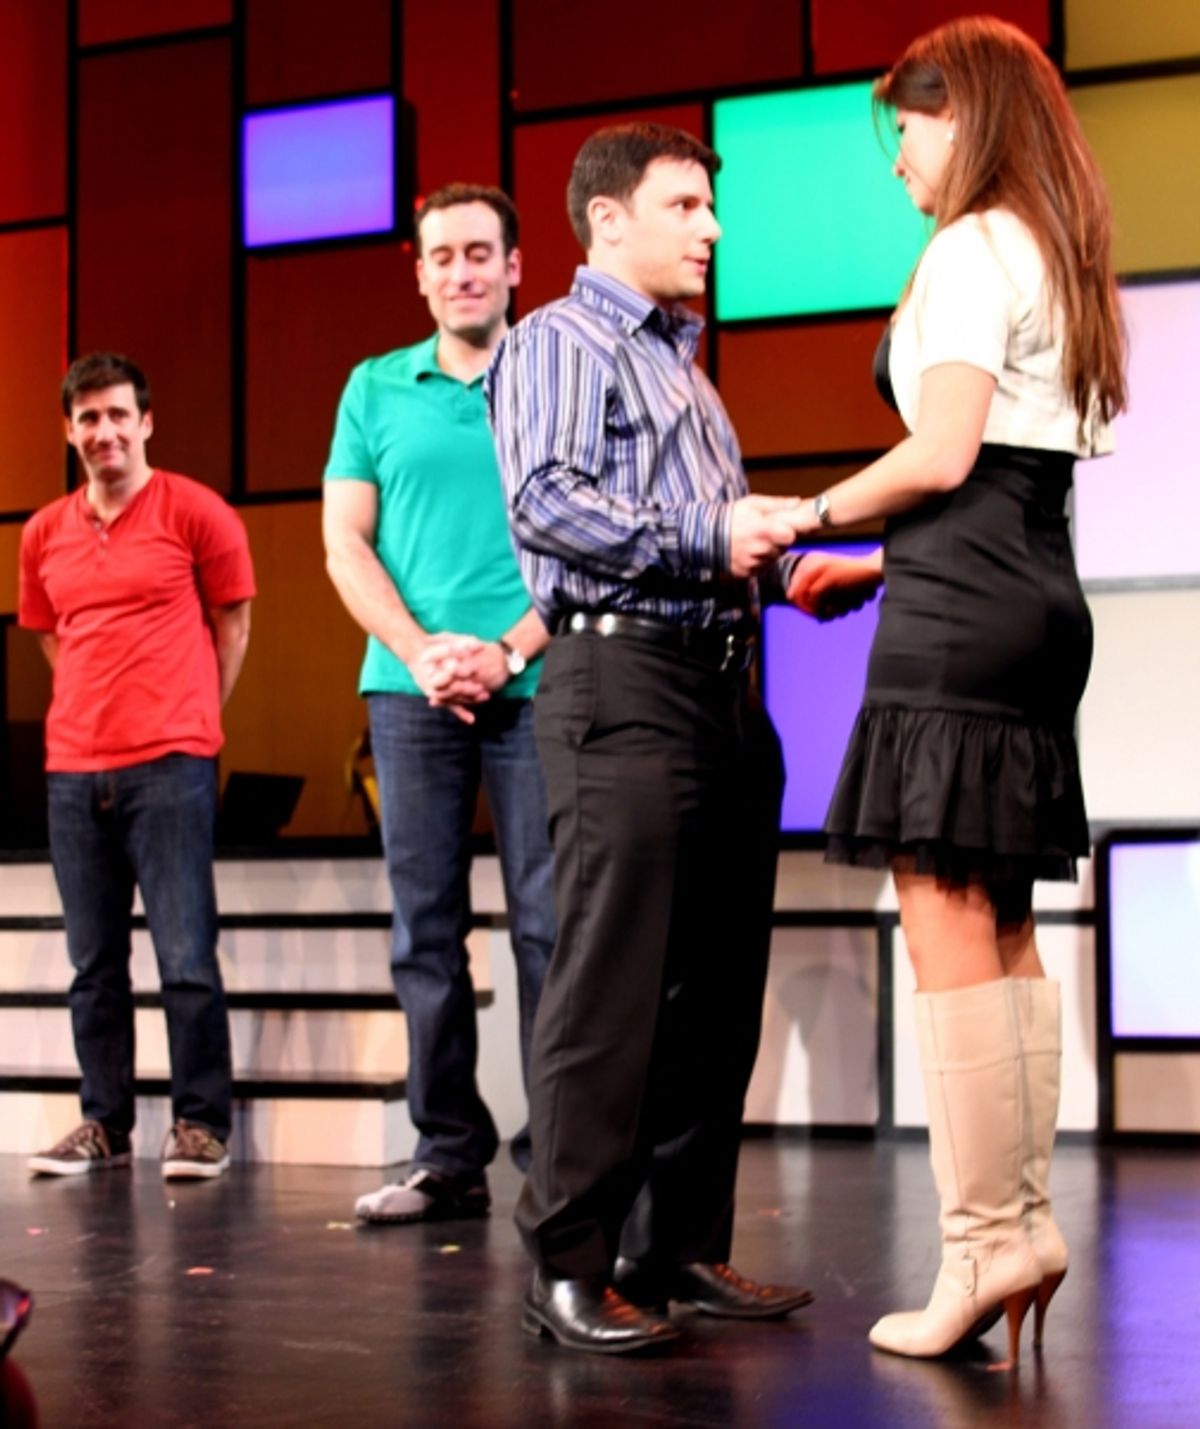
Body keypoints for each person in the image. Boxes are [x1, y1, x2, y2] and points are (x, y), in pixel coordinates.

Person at [788, 17, 1125, 1362]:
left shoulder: (970, 248)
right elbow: (1006, 478)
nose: (898, 165)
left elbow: (938, 450)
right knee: (999, 910)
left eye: (908, 131)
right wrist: (871, 560)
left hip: (961, 614)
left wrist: (804, 514)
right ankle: (1025, 1226)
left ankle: (980, 1245)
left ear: (965, 119)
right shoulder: (1059, 257)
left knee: (938, 906)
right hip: (1033, 600)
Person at [487, 122, 814, 1354]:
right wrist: (710, 538)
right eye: (686, 204)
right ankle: (566, 1261)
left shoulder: (687, 366)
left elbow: (691, 529)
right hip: (617, 682)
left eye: (710, 207)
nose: (712, 228)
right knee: (610, 984)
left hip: (718, 685)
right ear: (607, 220)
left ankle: (673, 1246)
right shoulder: (561, 341)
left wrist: (780, 575)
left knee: (714, 989)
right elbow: (550, 500)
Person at [323, 183, 555, 1225]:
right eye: (441, 255)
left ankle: (562, 1148)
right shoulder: (374, 387)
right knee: (427, 927)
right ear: (418, 273)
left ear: (515, 266)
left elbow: (589, 542)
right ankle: (447, 1153)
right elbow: (344, 542)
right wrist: (422, 653)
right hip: (409, 692)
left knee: (552, 926)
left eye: (479, 252)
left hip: (540, 679)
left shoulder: (554, 378)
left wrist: (506, 652)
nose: (460, 270)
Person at [20, 351, 256, 1180]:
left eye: (119, 414)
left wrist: (191, 718)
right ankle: (104, 1121)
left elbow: (233, 625)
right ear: (70, 431)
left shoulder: (196, 511)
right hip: (73, 769)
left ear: (146, 421)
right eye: (88, 418)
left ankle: (199, 1124)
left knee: (186, 954)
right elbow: (55, 636)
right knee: (93, 963)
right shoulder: (44, 531)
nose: (104, 430)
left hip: (172, 765)